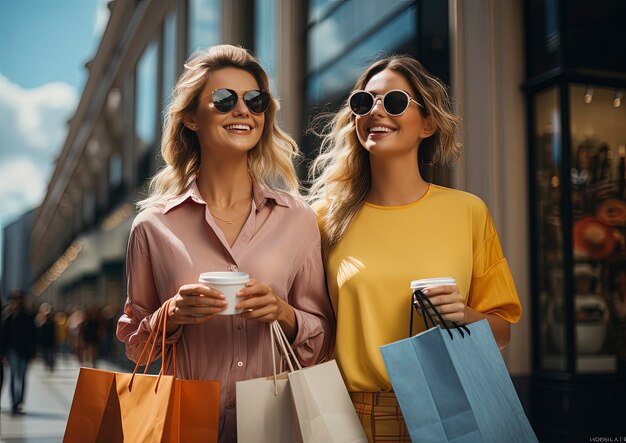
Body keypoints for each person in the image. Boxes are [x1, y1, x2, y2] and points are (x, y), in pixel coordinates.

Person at [116, 44, 333, 442]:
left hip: (273, 426)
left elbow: (321, 337)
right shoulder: (152, 226)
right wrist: (171, 314)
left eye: (255, 100)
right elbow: (135, 343)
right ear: (191, 119)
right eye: (223, 99)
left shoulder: (298, 219)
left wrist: (283, 313)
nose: (243, 110)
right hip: (184, 425)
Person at [308, 55, 522, 441]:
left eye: (393, 102)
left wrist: (464, 313)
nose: (376, 112)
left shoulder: (468, 212)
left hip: (452, 407)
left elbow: (502, 331)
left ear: (428, 123)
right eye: (364, 102)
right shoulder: (324, 219)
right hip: (352, 413)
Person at [0, 290, 37, 416]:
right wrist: (3, 354)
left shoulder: (28, 317)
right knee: (14, 376)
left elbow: (33, 336)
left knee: (21, 376)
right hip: (12, 351)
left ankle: (19, 400)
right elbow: (4, 337)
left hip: (24, 352)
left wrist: (33, 352)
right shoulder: (9, 318)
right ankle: (14, 402)